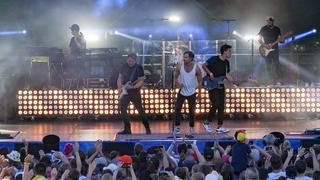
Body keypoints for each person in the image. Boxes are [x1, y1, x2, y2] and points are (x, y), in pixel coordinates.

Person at [202, 44, 233, 133]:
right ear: (224, 51)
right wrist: (210, 73)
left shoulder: (227, 62)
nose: (231, 53)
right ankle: (207, 123)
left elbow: (227, 75)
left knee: (221, 106)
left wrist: (235, 82)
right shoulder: (214, 59)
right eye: (230, 51)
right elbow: (204, 66)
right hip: (212, 85)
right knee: (215, 104)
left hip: (221, 85)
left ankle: (219, 127)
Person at [117, 53, 151, 135]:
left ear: (135, 61)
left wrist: (132, 87)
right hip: (125, 92)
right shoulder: (123, 66)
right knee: (122, 110)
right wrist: (119, 89)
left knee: (140, 110)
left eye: (132, 61)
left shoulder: (139, 67)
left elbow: (141, 81)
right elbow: (120, 78)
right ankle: (127, 129)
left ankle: (147, 128)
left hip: (135, 92)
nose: (130, 62)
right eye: (129, 61)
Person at [173, 51, 202, 135]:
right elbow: (175, 78)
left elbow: (200, 82)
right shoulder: (179, 66)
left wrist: (199, 94)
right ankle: (177, 127)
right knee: (177, 109)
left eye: (186, 57)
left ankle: (191, 128)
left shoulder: (196, 68)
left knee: (192, 111)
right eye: (184, 57)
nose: (184, 59)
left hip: (192, 92)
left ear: (191, 58)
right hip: (182, 92)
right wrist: (178, 84)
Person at [258, 16, 282, 85]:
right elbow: (259, 39)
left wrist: (281, 40)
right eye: (268, 21)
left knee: (276, 64)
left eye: (271, 21)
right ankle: (270, 80)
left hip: (275, 48)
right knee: (268, 65)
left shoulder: (277, 29)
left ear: (273, 21)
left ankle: (277, 80)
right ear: (266, 21)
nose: (269, 22)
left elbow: (279, 39)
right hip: (266, 48)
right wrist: (264, 45)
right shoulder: (263, 29)